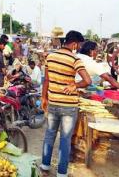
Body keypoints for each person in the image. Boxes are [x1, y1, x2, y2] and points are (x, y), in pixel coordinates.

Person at [40, 30, 92, 177]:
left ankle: (45, 165)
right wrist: (75, 86)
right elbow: (88, 81)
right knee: (65, 139)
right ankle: (61, 173)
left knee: (50, 134)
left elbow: (46, 80)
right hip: (69, 106)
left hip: (53, 102)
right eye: (78, 45)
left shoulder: (50, 56)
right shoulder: (75, 59)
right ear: (74, 44)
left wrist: (44, 98)